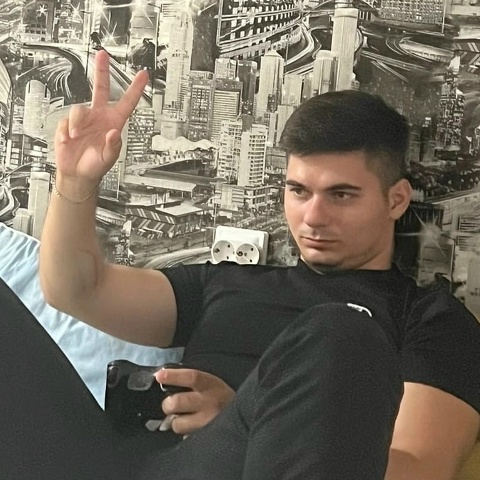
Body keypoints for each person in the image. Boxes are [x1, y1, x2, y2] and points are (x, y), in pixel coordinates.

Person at [2, 49, 479, 479]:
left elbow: (420, 469)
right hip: (109, 464)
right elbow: (76, 289)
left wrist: (264, 423)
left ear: (396, 200)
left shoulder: (431, 319)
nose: (313, 216)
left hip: (233, 463)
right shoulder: (224, 282)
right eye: (299, 191)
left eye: (341, 195)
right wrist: (75, 178)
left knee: (339, 332)